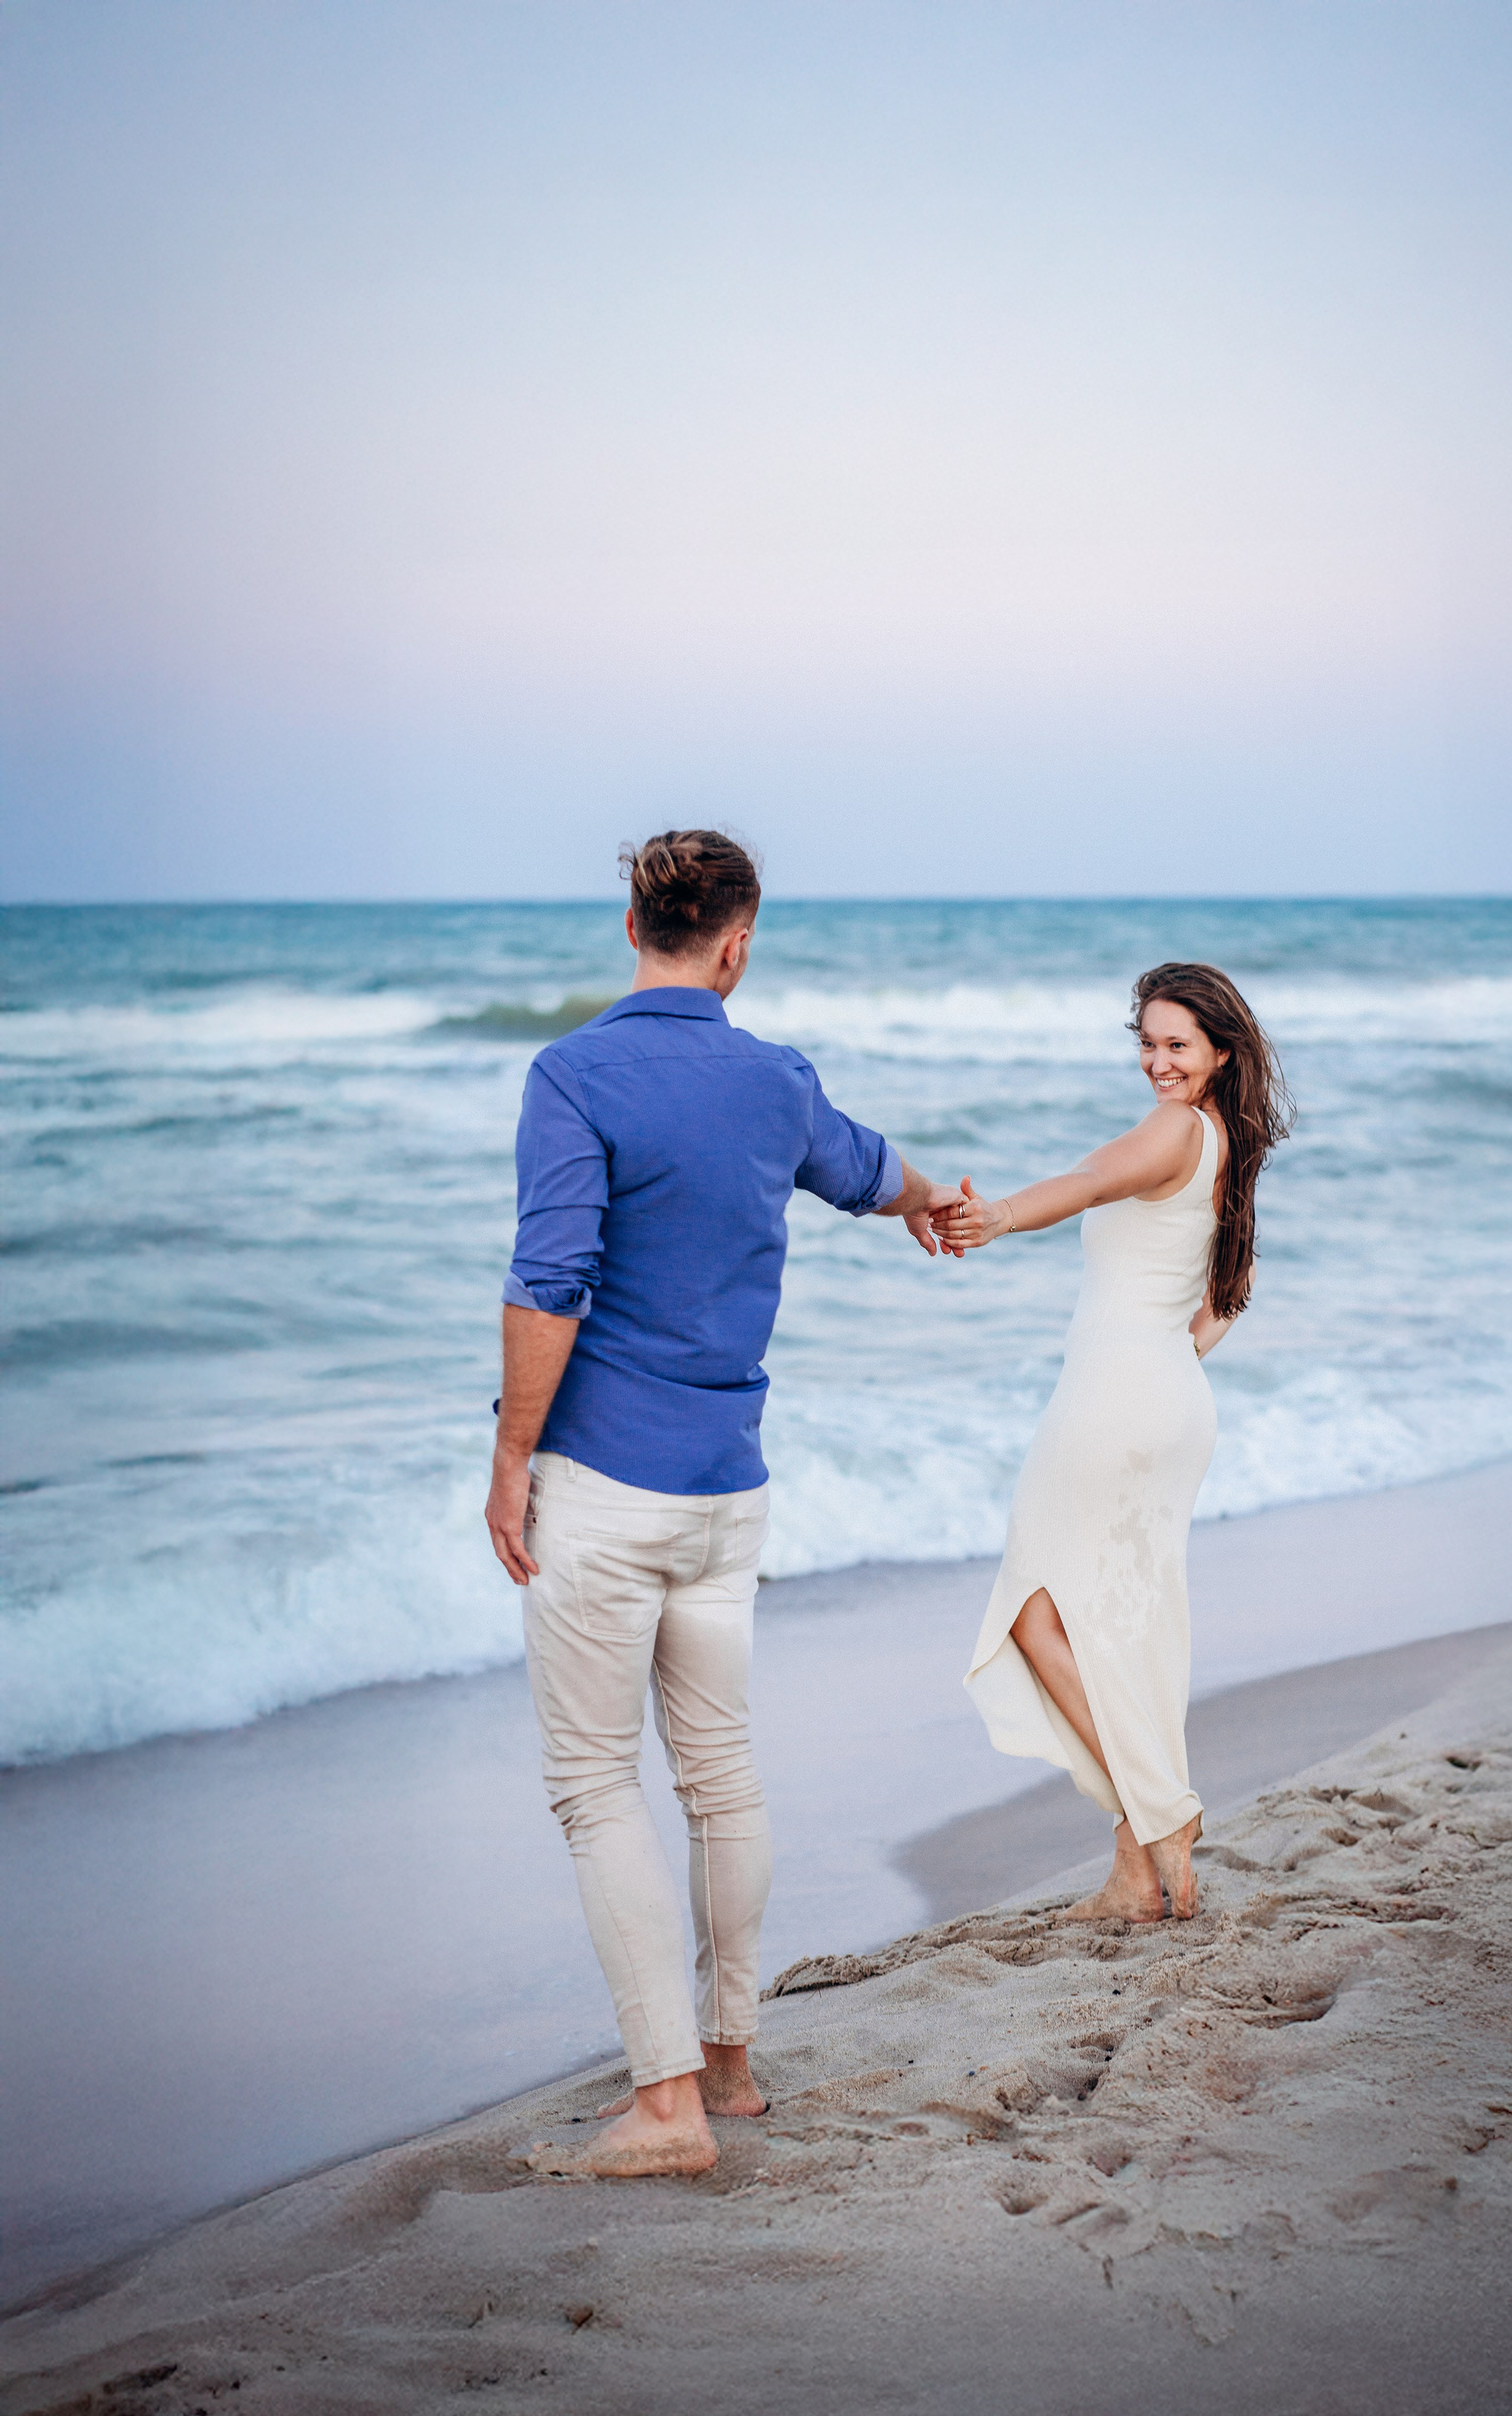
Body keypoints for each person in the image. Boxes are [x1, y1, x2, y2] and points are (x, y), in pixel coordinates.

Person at [484, 829, 956, 2179]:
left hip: (606, 1485)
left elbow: (549, 1278)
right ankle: (732, 2069)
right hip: (727, 1492)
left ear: (634, 922)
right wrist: (937, 1205)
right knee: (721, 1775)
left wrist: (512, 1454)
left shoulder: (572, 1075)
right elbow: (874, 1171)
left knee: (594, 1785)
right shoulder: (775, 1082)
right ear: (736, 945)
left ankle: (666, 2106)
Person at [932, 963, 1290, 1924]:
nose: (1158, 1061)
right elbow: (1223, 1301)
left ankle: (1162, 1817)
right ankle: (1138, 1864)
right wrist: (1165, 1358)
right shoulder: (1226, 1145)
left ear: (1220, 1051)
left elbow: (1092, 1181)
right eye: (1147, 1042)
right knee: (1115, 1626)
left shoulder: (1175, 1128)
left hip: (1114, 1400)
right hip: (1165, 1396)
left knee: (1036, 1612)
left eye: (1178, 1043)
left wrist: (999, 1214)